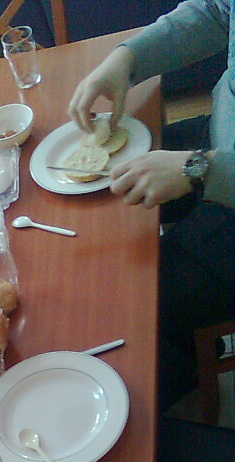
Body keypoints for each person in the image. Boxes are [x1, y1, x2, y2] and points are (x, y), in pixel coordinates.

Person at [67, 0, 235, 408]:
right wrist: (128, 57)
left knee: (133, 299)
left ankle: (170, 381)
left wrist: (202, 170)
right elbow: (218, 10)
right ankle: (190, 350)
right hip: (220, 146)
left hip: (218, 171)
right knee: (99, 218)